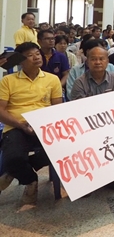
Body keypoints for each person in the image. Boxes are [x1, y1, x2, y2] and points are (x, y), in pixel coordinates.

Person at [0, 42, 63, 205]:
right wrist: (22, 125)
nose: (36, 57)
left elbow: (57, 109)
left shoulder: (52, 79)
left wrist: (42, 123)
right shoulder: (8, 81)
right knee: (13, 158)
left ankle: (13, 172)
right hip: (16, 126)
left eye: (37, 53)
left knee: (62, 149)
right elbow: (1, 111)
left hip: (44, 126)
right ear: (20, 60)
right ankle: (31, 181)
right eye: (30, 55)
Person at [70, 45, 114, 191]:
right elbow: (78, 110)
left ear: (107, 61)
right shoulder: (79, 82)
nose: (97, 62)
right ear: (87, 61)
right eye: (93, 59)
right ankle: (86, 181)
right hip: (86, 125)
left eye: (101, 59)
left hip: (111, 122)